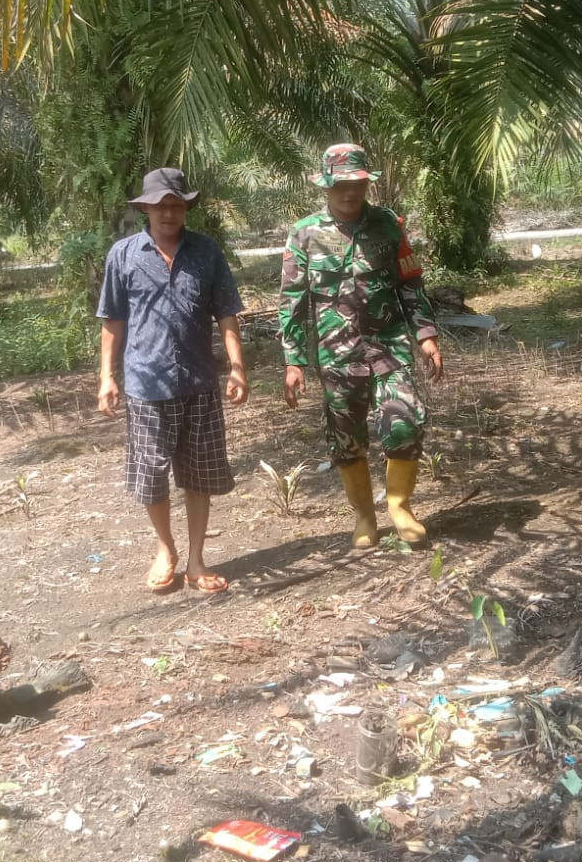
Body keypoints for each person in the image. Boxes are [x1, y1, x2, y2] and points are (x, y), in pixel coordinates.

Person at [279, 144, 443, 548]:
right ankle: (364, 516)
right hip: (337, 353)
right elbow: (293, 301)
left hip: (389, 346)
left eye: (357, 183)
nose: (350, 191)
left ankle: (400, 507)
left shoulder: (388, 225)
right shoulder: (304, 234)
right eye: (341, 184)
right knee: (346, 436)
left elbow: (411, 283)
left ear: (367, 183)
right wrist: (294, 361)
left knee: (405, 422)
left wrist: (426, 334)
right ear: (326, 185)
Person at [98, 167, 249, 593]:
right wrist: (107, 377)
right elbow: (112, 320)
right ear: (145, 209)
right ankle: (166, 548)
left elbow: (226, 314)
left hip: (199, 382)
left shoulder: (207, 252)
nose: (168, 213)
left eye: (176, 205)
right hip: (146, 385)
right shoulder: (124, 255)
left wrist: (237, 367)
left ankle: (197, 559)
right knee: (150, 474)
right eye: (160, 205)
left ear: (186, 208)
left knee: (199, 474)